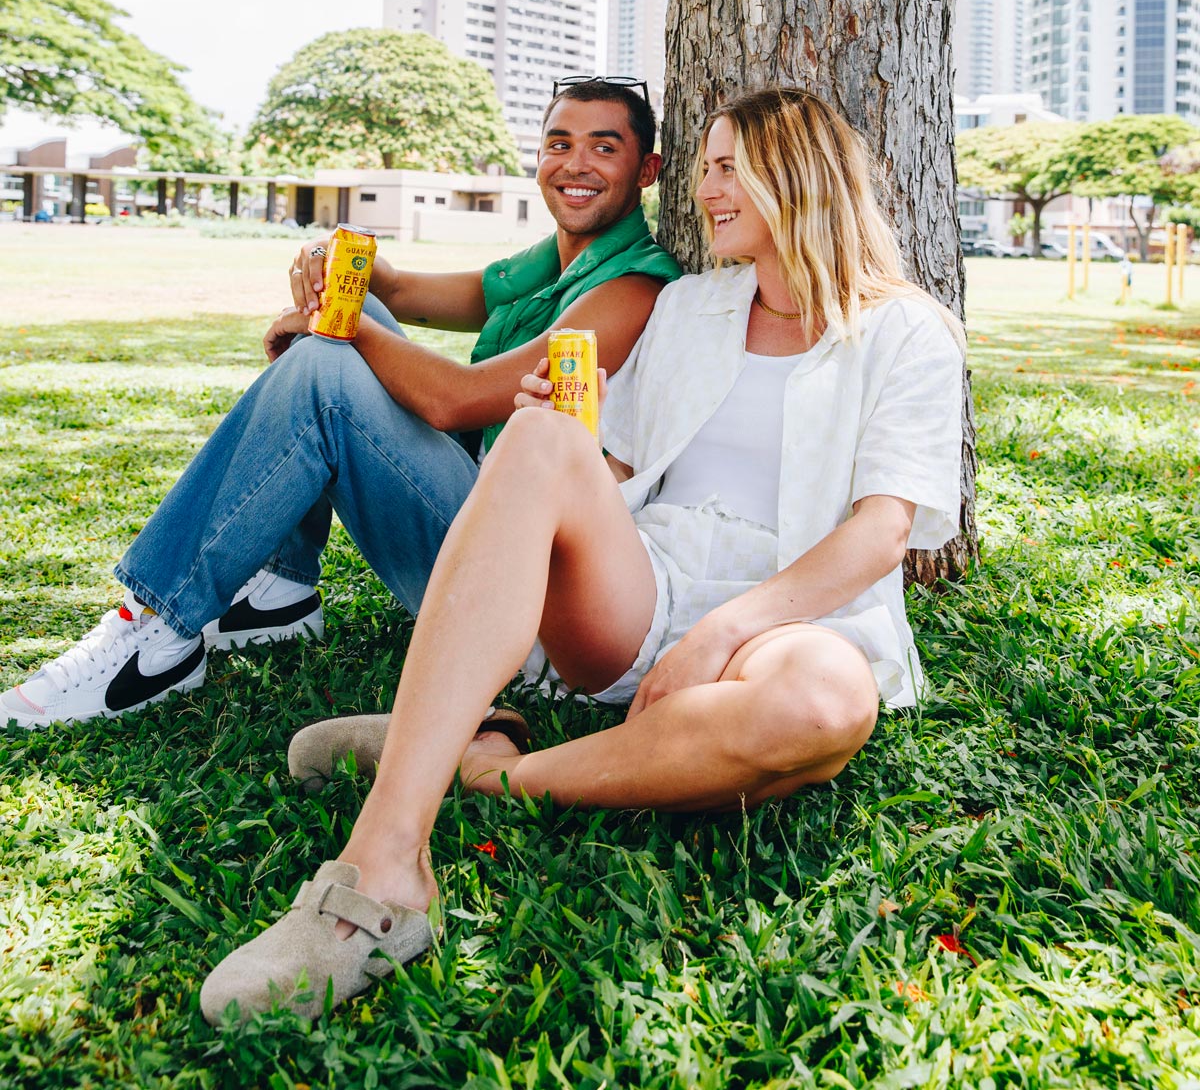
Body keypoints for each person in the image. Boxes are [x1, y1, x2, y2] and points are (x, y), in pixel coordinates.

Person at [199, 87, 967, 1024]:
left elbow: (883, 531)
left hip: (792, 619)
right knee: (541, 435)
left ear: (798, 176)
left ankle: (483, 767)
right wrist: (554, 461)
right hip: (643, 589)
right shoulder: (690, 307)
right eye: (705, 168)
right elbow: (619, 468)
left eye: (729, 170)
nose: (706, 192)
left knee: (823, 707)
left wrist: (722, 633)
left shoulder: (906, 330)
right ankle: (385, 867)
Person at [1, 79, 679, 728]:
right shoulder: (553, 264)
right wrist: (333, 263)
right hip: (484, 519)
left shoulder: (632, 288)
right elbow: (397, 289)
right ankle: (279, 592)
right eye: (559, 143)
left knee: (330, 361)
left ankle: (154, 637)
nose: (575, 164)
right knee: (359, 317)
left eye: (604, 147)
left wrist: (333, 326)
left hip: (525, 595)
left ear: (646, 171)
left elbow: (458, 400)